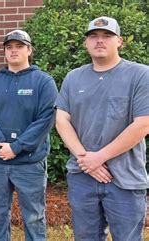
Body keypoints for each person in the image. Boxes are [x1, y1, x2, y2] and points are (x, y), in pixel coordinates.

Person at [55, 16, 149, 240]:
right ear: (86, 43)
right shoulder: (73, 77)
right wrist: (85, 159)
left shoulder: (140, 75)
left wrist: (99, 158)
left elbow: (143, 124)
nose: (99, 41)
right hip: (82, 176)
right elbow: (61, 120)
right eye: (93, 36)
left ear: (120, 42)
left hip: (125, 180)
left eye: (107, 36)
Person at [0, 29, 57, 241]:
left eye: (19, 46)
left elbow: (45, 119)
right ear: (4, 52)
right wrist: (0, 143)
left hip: (29, 163)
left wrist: (17, 147)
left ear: (29, 50)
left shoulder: (43, 81)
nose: (14, 51)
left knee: (33, 216)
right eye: (9, 47)